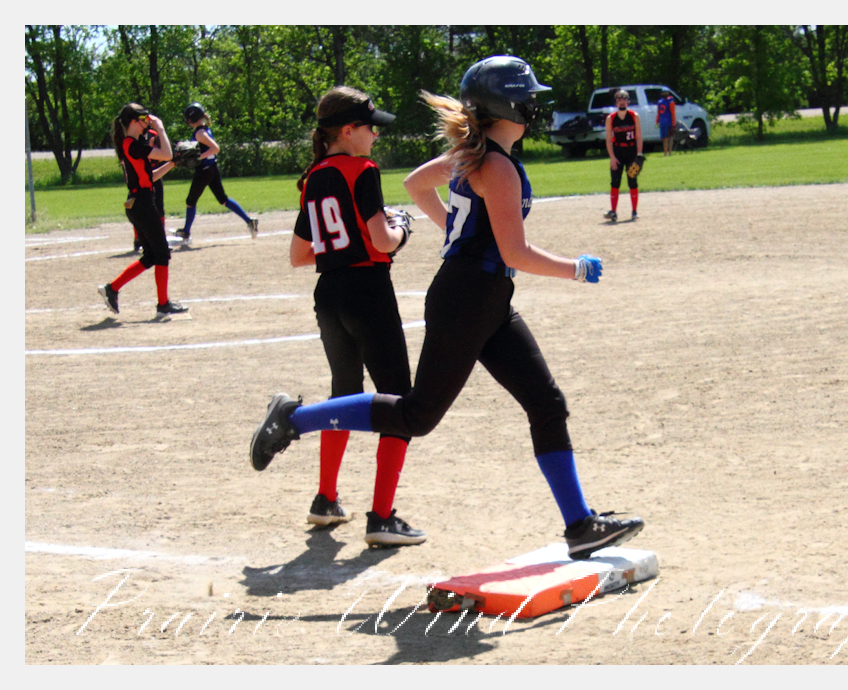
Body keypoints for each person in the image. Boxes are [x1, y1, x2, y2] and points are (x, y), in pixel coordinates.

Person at [249, 56, 645, 560]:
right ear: (508, 105)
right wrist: (576, 269)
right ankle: (295, 418)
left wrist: (457, 237)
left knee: (546, 402)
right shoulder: (494, 164)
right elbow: (515, 253)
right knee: (415, 415)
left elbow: (416, 185)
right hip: (468, 297)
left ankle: (580, 524)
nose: (534, 106)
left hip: (485, 297)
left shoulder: (474, 155)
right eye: (528, 98)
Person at [256, 85, 424, 547]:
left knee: (344, 393)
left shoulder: (313, 177)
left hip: (329, 294)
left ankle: (326, 499)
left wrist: (346, 247)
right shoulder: (362, 170)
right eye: (370, 127)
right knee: (399, 401)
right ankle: (382, 517)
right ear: (348, 131)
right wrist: (401, 229)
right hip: (367, 291)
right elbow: (383, 241)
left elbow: (299, 255)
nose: (376, 135)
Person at [98, 103, 189, 319]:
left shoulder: (133, 144)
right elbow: (165, 153)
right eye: (143, 119)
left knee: (150, 256)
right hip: (142, 205)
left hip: (140, 203)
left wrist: (173, 164)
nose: (147, 122)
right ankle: (163, 305)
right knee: (162, 253)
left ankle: (112, 289)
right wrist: (161, 128)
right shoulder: (131, 144)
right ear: (133, 122)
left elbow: (150, 177)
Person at [174, 103, 258, 247]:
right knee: (223, 199)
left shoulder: (199, 133)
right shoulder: (204, 130)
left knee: (191, 201)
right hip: (212, 168)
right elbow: (202, 146)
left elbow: (215, 148)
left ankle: (186, 233)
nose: (188, 121)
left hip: (204, 170)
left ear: (193, 118)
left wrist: (198, 157)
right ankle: (250, 221)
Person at [603, 89, 643, 222]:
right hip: (618, 152)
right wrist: (612, 157)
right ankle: (613, 211)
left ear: (628, 101)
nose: (622, 102)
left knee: (633, 181)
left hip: (631, 152)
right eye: (619, 100)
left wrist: (639, 154)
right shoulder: (611, 118)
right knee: (615, 182)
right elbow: (609, 139)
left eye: (624, 99)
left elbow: (639, 136)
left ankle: (634, 211)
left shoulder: (634, 116)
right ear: (616, 103)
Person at [131, 124, 167, 253]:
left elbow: (163, 154)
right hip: (140, 176)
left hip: (155, 174)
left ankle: (161, 238)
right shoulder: (134, 137)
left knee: (159, 208)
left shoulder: (154, 134)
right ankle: (138, 239)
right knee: (139, 208)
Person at [657, 89, 677, 157]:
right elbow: (659, 113)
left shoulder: (670, 101)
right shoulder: (660, 102)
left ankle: (669, 153)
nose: (664, 94)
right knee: (664, 138)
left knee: (670, 137)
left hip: (669, 121)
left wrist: (673, 123)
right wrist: (657, 121)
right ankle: (665, 153)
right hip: (662, 122)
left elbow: (673, 113)